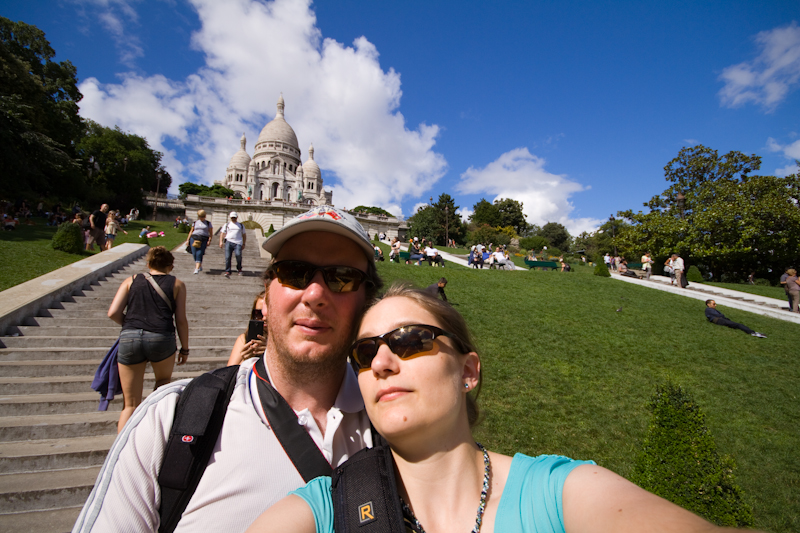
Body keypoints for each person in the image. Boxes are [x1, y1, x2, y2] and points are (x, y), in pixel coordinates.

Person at [248, 285, 760, 533]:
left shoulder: (562, 493)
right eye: (364, 352)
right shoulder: (321, 510)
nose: (381, 360)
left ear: (469, 371)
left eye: (409, 341)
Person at [73, 205, 383, 533]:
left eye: (343, 278)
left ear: (367, 300)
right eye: (295, 272)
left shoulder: (401, 423)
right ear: (267, 291)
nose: (316, 294)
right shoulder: (167, 421)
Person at [106, 247, 189, 432]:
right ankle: (151, 436)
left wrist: (129, 327)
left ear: (148, 264)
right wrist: (185, 348)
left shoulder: (131, 280)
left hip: (130, 338)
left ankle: (123, 449)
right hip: (161, 337)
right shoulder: (177, 285)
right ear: (170, 266)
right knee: (161, 386)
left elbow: (112, 312)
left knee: (130, 404)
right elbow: (181, 320)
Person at [227, 291, 268, 366]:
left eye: (268, 313)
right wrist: (245, 360)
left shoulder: (287, 341)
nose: (264, 318)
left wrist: (270, 354)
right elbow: (229, 373)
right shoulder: (244, 339)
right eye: (259, 313)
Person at [185, 209, 213, 274]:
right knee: (194, 253)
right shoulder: (195, 223)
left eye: (203, 216)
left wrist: (209, 240)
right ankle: (199, 264)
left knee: (199, 253)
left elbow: (211, 233)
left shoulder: (208, 223)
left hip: (203, 239)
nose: (201, 218)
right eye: (200, 216)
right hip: (194, 238)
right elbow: (191, 231)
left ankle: (196, 268)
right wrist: (187, 240)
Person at [220, 211, 246, 277]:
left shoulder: (241, 225)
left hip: (238, 242)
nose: (233, 219)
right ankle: (228, 270)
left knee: (238, 255)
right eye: (232, 218)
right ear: (230, 218)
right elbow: (222, 233)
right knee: (227, 257)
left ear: (237, 217)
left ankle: (239, 268)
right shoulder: (227, 225)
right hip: (229, 241)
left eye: (234, 217)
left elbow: (244, 235)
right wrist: (221, 241)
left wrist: (244, 243)